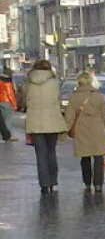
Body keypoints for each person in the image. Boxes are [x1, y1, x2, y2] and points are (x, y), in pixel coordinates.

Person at [64, 71, 105, 193]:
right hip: (97, 130)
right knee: (99, 158)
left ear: (78, 82)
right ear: (90, 82)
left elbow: (69, 117)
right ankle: (98, 184)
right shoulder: (99, 96)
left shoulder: (74, 97)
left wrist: (63, 133)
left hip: (81, 130)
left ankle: (87, 182)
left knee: (85, 157)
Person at [23, 59, 67, 193]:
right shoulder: (54, 83)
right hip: (52, 121)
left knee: (40, 154)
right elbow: (58, 99)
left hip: (35, 122)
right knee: (51, 152)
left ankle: (44, 184)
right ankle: (53, 181)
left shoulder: (28, 83)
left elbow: (25, 100)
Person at [0, 70, 17, 141]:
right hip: (7, 101)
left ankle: (3, 135)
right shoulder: (7, 82)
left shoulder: (0, 81)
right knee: (8, 119)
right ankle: (8, 136)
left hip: (0, 101)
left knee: (2, 119)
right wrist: (14, 104)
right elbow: (10, 94)